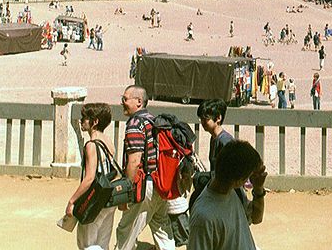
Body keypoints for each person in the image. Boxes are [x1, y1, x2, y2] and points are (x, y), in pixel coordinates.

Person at [115, 85, 175, 250]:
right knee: (162, 227)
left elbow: (134, 161)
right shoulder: (152, 120)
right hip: (159, 183)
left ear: (139, 102)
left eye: (125, 99)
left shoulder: (135, 123)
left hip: (144, 187)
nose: (122, 102)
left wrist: (126, 191)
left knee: (126, 230)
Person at [187, 140, 267, 250]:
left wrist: (258, 189)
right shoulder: (204, 218)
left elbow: (256, 218)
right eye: (248, 177)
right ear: (238, 181)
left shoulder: (235, 191)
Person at [66, 102, 116, 250]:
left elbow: (89, 178)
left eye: (85, 118)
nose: (82, 121)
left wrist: (72, 201)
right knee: (102, 243)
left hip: (94, 200)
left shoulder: (91, 145)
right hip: (108, 198)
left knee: (87, 244)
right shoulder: (108, 141)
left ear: (95, 122)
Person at [196, 99, 233, 174]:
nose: (202, 122)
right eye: (201, 119)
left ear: (218, 118)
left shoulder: (225, 141)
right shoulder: (214, 138)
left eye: (206, 119)